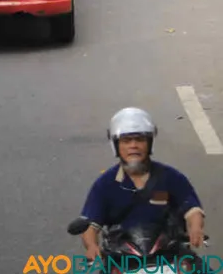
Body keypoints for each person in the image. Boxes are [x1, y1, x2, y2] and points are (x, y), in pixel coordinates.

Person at [77, 108, 206, 267]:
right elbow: (91, 225)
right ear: (116, 145)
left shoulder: (171, 177)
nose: (133, 146)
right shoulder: (105, 184)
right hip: (122, 260)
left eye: (139, 140)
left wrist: (195, 228)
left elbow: (192, 209)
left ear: (149, 142)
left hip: (170, 255)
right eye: (126, 141)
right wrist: (92, 246)